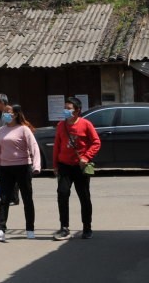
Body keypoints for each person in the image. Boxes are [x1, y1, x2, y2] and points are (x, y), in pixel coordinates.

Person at [0, 104, 41, 242]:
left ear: (16, 114)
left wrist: (36, 166)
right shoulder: (1, 130)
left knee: (27, 198)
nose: (5, 114)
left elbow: (34, 147)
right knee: (4, 199)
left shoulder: (24, 129)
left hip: (23, 167)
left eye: (8, 112)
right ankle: (0, 229)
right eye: (4, 112)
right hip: (5, 168)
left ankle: (30, 228)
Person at [52, 96, 101, 240]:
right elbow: (57, 146)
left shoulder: (86, 124)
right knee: (62, 194)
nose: (66, 111)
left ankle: (87, 227)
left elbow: (96, 142)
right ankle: (64, 227)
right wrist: (55, 165)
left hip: (80, 167)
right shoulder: (61, 125)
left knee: (84, 197)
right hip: (64, 166)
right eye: (65, 108)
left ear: (77, 111)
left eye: (69, 109)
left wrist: (86, 156)